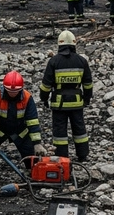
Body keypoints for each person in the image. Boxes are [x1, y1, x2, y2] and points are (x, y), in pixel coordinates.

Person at [39, 30, 93, 162]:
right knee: (79, 129)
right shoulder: (82, 61)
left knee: (60, 132)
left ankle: (62, 157)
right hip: (76, 103)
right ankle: (83, 154)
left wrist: (44, 99)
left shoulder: (54, 61)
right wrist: (87, 99)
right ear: (74, 44)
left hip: (59, 104)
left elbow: (46, 84)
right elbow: (88, 84)